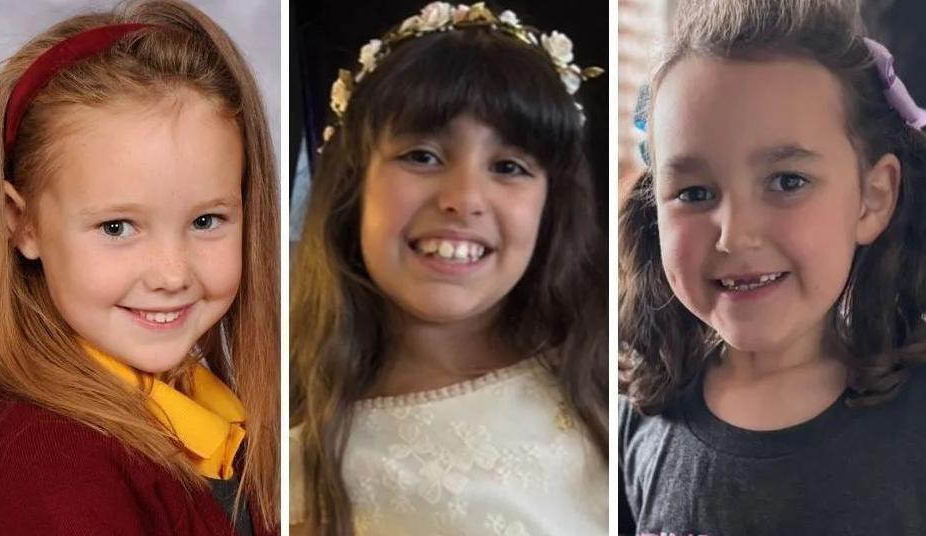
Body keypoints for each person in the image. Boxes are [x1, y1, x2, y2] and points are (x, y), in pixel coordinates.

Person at [290, 2, 608, 534]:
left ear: (550, 207)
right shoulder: (304, 467)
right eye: (422, 156)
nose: (464, 199)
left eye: (508, 167)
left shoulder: (603, 382)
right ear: (353, 183)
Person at [619, 0, 926, 534]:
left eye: (787, 181)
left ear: (872, 199)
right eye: (693, 192)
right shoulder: (640, 415)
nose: (735, 234)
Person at [0, 1, 279, 534]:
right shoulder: (48, 473)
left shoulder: (200, 406)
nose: (172, 274)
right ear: (22, 224)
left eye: (206, 220)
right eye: (117, 227)